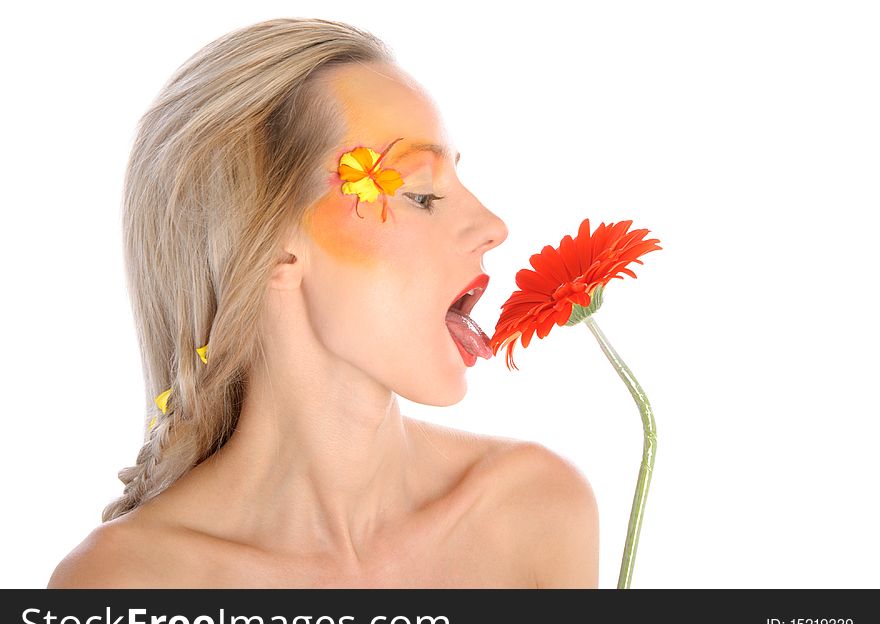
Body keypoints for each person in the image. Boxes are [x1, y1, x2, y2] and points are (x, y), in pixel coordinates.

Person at [47, 17, 598, 588]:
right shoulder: (126, 583)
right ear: (272, 250)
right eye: (423, 195)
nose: (493, 226)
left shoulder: (536, 512)